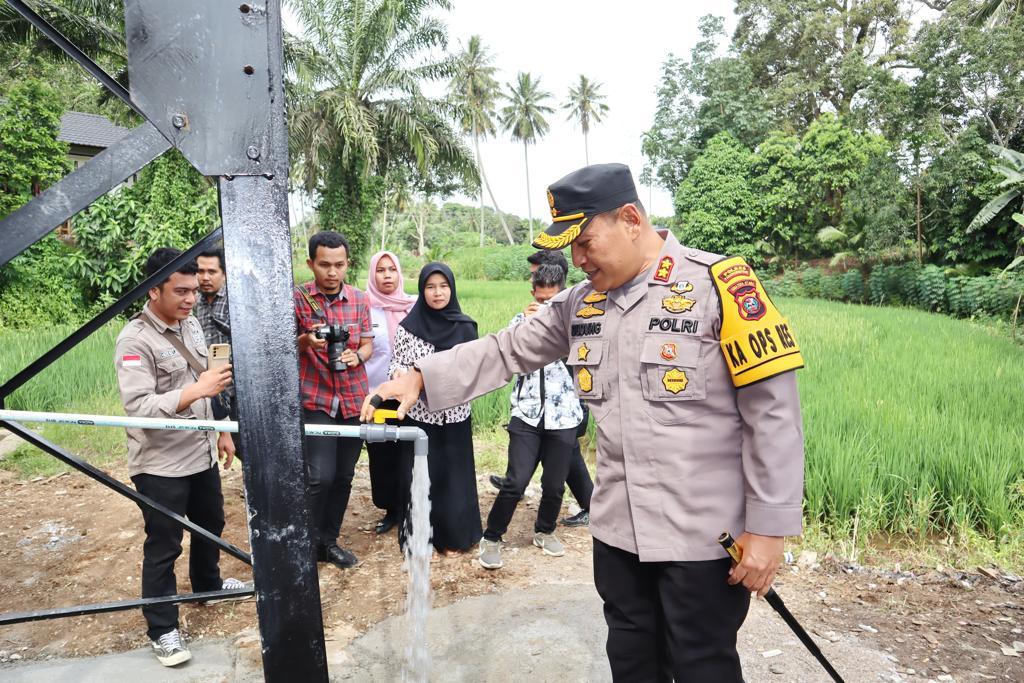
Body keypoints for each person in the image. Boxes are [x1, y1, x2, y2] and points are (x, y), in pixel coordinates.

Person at [363, 163, 805, 682]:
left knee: (702, 667)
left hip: (702, 539)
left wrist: (769, 530)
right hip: (618, 536)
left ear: (631, 220)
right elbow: (505, 350)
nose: (576, 259)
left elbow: (772, 413)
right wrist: (419, 377)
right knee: (632, 665)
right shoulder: (580, 304)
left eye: (585, 242)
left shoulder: (718, 286)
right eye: (571, 247)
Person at [114, 247, 244, 668]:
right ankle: (162, 629)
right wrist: (195, 391)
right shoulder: (134, 340)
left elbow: (207, 380)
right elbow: (138, 408)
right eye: (181, 291)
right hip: (161, 464)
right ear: (154, 290)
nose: (191, 299)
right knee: (164, 544)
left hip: (200, 451)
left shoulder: (190, 325)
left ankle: (207, 584)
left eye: (194, 291)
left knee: (211, 523)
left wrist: (221, 428)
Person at [478, 264, 583, 570]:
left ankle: (545, 531)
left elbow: (581, 360)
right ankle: (492, 537)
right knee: (516, 481)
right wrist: (527, 326)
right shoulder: (519, 322)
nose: (546, 305)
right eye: (541, 299)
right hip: (527, 414)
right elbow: (510, 358)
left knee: (554, 484)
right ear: (533, 293)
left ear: (563, 294)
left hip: (564, 415)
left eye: (553, 300)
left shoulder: (577, 323)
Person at [388, 262, 482, 555]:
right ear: (422, 290)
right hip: (419, 417)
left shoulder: (466, 328)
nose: (437, 293)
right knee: (419, 478)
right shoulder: (408, 328)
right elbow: (397, 362)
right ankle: (418, 540)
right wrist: (398, 374)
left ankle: (455, 538)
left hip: (454, 416)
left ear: (451, 289)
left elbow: (473, 370)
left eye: (443, 286)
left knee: (454, 479)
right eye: (430, 287)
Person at [294, 231, 375, 569]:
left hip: (353, 398)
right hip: (316, 397)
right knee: (320, 477)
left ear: (347, 264)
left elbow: (368, 344)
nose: (332, 272)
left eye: (339, 265)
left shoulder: (359, 299)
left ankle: (328, 542)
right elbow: (283, 346)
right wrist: (306, 341)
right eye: (324, 265)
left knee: (343, 477)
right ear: (310, 263)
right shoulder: (297, 298)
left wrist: (358, 356)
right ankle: (304, 544)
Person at [508, 248, 594, 528]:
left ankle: (590, 506)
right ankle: (517, 483)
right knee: (563, 453)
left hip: (569, 400)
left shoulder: (575, 313)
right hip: (546, 406)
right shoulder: (533, 315)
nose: (532, 282)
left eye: (536, 274)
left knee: (565, 454)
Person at [363, 250, 416, 535]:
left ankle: (412, 508)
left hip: (411, 397)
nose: (387, 275)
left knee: (410, 453)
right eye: (381, 270)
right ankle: (391, 510)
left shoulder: (414, 306)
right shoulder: (364, 307)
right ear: (373, 274)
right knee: (382, 455)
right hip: (377, 396)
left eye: (392, 269)